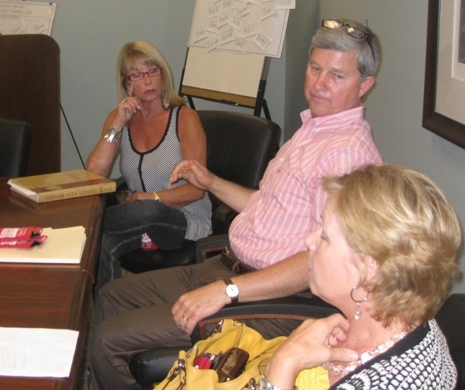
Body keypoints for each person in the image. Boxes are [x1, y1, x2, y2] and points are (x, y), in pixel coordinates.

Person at [90, 18, 383, 389]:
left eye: (337, 76)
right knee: (113, 296)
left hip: (266, 294)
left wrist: (227, 291)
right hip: (226, 266)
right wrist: (211, 182)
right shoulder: (313, 130)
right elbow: (266, 205)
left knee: (107, 340)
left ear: (365, 85)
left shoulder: (346, 155)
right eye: (315, 68)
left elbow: (320, 262)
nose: (319, 84)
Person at [261, 164, 461, 389]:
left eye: (324, 236)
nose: (309, 240)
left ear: (368, 268)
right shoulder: (409, 321)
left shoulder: (386, 383)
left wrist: (282, 367)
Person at [86, 41, 212, 291]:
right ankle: (109, 318)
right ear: (126, 82)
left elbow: (196, 190)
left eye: (153, 71)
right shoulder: (118, 118)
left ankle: (89, 221)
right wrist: (119, 123)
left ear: (163, 74)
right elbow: (94, 173)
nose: (148, 81)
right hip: (138, 221)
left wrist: (151, 198)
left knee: (147, 210)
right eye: (137, 75)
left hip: (184, 219)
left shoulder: (184, 118)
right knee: (102, 244)